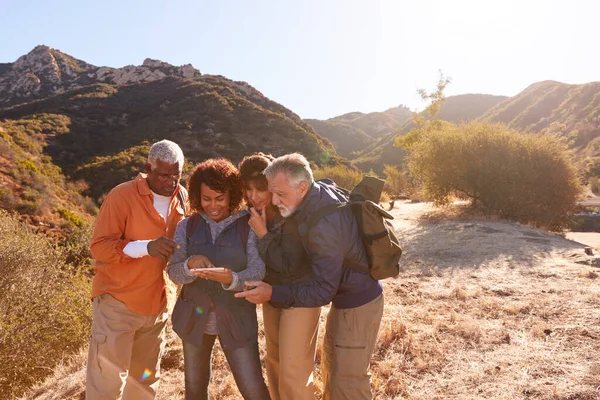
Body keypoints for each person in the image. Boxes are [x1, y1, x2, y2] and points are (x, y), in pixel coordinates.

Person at [236, 153, 384, 400]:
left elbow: (320, 290)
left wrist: (272, 289)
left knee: (348, 381)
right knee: (334, 372)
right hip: (344, 299)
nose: (271, 199)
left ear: (302, 188)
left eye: (277, 193)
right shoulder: (309, 198)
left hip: (356, 300)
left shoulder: (321, 223)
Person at [86, 139, 187, 400]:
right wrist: (146, 247)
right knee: (107, 385)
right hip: (117, 305)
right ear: (147, 168)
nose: (170, 182)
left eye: (176, 175)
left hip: (158, 308)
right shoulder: (122, 195)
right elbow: (99, 247)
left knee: (144, 385)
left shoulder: (183, 198)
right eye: (164, 175)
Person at [167, 158, 270, 400]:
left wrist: (231, 278)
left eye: (220, 198)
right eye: (206, 199)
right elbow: (173, 271)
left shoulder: (248, 224)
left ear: (232, 194)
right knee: (194, 389)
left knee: (253, 389)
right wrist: (189, 265)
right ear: (196, 195)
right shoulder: (186, 227)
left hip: (237, 320)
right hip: (194, 321)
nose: (213, 205)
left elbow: (258, 271)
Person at [239, 153, 319, 400]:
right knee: (274, 361)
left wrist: (263, 235)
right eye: (248, 189)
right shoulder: (253, 215)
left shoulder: (291, 212)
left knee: (293, 370)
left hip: (300, 296)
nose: (254, 196)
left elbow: (290, 265)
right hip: (272, 296)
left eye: (261, 188)